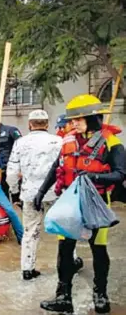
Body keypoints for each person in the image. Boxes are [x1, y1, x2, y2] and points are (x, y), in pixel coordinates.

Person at [35, 95, 125, 314]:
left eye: (78, 119)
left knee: (98, 249)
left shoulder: (112, 143)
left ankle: (100, 296)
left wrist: (94, 177)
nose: (72, 123)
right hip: (69, 204)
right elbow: (56, 167)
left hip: (96, 203)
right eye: (72, 119)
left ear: (92, 118)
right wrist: (40, 192)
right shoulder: (68, 140)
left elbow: (120, 174)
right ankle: (63, 296)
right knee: (65, 250)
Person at [5, 109, 63, 280]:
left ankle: (27, 269)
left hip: (29, 193)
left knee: (30, 232)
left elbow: (11, 173)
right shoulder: (58, 141)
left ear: (30, 124)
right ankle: (70, 262)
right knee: (65, 229)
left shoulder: (20, 143)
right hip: (55, 193)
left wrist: (15, 192)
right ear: (47, 124)